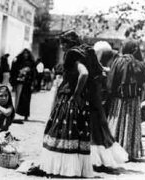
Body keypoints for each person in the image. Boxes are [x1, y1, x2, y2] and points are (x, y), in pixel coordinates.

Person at [38, 31, 99, 177]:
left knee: (63, 131)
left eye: (63, 43)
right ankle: (74, 169)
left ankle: (62, 169)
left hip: (69, 99)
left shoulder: (73, 55)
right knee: (76, 133)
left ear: (68, 43)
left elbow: (83, 74)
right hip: (80, 100)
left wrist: (75, 94)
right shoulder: (85, 53)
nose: (61, 46)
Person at [107, 39, 145, 161]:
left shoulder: (119, 61)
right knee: (130, 123)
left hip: (119, 100)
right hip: (134, 100)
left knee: (117, 122)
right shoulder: (141, 64)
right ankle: (129, 150)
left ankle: (115, 150)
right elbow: (143, 82)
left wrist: (110, 95)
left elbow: (111, 82)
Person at [89, 41, 128, 169]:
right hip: (101, 102)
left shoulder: (101, 69)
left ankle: (97, 159)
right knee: (101, 129)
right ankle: (100, 158)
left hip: (98, 102)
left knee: (96, 130)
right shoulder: (107, 68)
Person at [10, 48, 35, 121]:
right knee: (18, 98)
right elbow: (13, 70)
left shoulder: (31, 62)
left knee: (27, 99)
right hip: (20, 82)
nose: (26, 55)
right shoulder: (18, 61)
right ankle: (15, 114)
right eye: (24, 53)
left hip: (28, 83)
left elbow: (34, 73)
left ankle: (26, 115)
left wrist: (33, 82)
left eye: (27, 53)